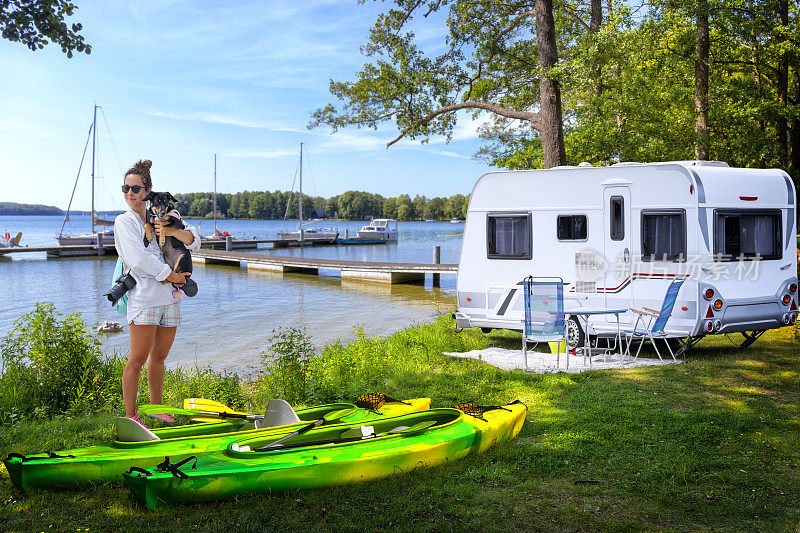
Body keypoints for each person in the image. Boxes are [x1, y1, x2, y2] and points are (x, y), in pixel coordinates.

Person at [113, 160, 201, 426]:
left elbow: (195, 241)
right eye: (126, 188)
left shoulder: (163, 215)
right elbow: (138, 259)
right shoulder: (124, 222)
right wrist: (172, 276)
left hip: (170, 299)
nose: (130, 193)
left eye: (136, 189)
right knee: (137, 360)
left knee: (159, 358)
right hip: (144, 299)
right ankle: (131, 416)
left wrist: (178, 232)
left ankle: (156, 407)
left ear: (148, 191)